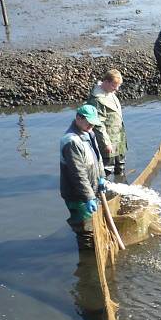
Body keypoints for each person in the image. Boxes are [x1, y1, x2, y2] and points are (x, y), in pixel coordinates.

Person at [59, 104, 106, 250]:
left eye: (93, 123)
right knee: (85, 230)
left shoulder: (88, 133)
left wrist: (101, 176)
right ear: (78, 118)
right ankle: (87, 260)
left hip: (91, 188)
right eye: (88, 122)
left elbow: (97, 158)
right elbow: (78, 173)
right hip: (77, 195)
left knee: (93, 224)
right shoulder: (71, 141)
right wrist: (88, 197)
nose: (91, 126)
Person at [86, 69, 128, 177]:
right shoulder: (97, 100)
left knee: (121, 165)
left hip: (118, 136)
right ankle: (104, 190)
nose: (117, 89)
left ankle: (121, 185)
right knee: (107, 168)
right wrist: (106, 143)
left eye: (118, 85)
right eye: (115, 85)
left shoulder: (110, 92)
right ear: (106, 82)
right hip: (108, 139)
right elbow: (98, 124)